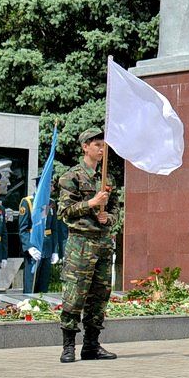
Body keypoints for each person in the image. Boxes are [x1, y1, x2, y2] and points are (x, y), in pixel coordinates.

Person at [56, 127, 119, 364]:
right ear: (85, 147)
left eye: (103, 146)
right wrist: (91, 203)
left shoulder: (107, 178)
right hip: (80, 243)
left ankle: (91, 345)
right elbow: (64, 212)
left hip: (102, 243)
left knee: (100, 295)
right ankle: (69, 346)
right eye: (97, 145)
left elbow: (115, 210)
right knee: (75, 294)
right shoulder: (71, 177)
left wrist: (109, 218)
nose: (102, 150)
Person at [18, 179, 62, 294]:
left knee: (43, 286)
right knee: (31, 285)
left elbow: (54, 229)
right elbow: (23, 229)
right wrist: (29, 247)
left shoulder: (50, 203)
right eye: (49, 185)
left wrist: (55, 251)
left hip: (47, 248)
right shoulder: (28, 202)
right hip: (34, 248)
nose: (52, 189)